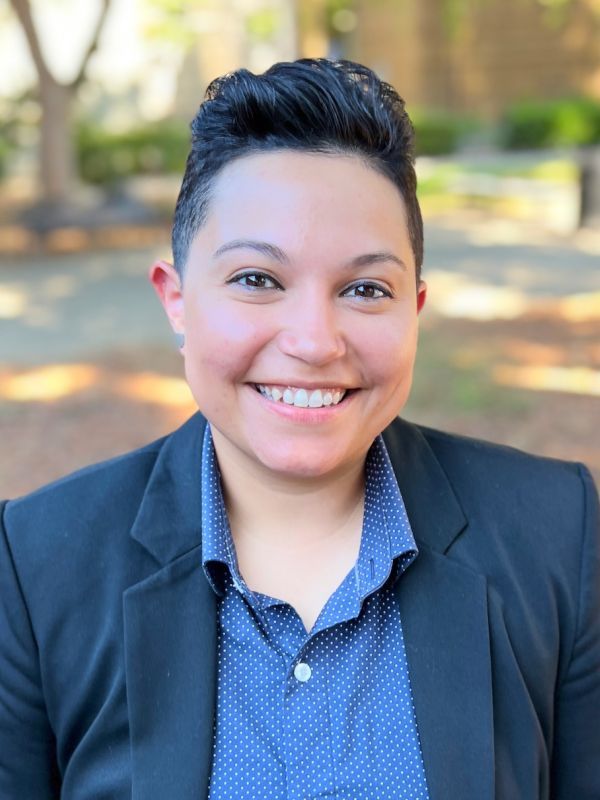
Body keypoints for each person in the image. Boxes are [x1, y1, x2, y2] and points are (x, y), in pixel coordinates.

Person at [0, 59, 598, 800]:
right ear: (177, 299)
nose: (314, 341)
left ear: (413, 309)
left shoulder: (556, 534)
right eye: (258, 279)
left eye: (364, 289)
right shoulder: (35, 565)